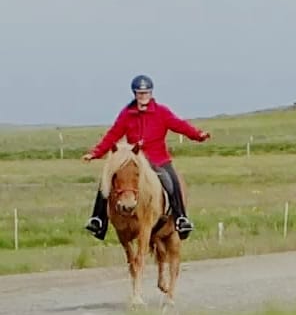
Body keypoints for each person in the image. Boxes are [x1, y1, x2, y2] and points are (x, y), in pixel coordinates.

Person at [82, 75, 210, 241]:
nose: (143, 96)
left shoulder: (161, 112)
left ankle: (180, 219)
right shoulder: (127, 114)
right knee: (106, 181)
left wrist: (198, 135)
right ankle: (98, 220)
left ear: (151, 93)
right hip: (134, 161)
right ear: (135, 94)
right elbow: (113, 134)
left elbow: (180, 125)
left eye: (146, 93)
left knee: (172, 183)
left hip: (158, 159)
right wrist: (96, 152)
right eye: (140, 93)